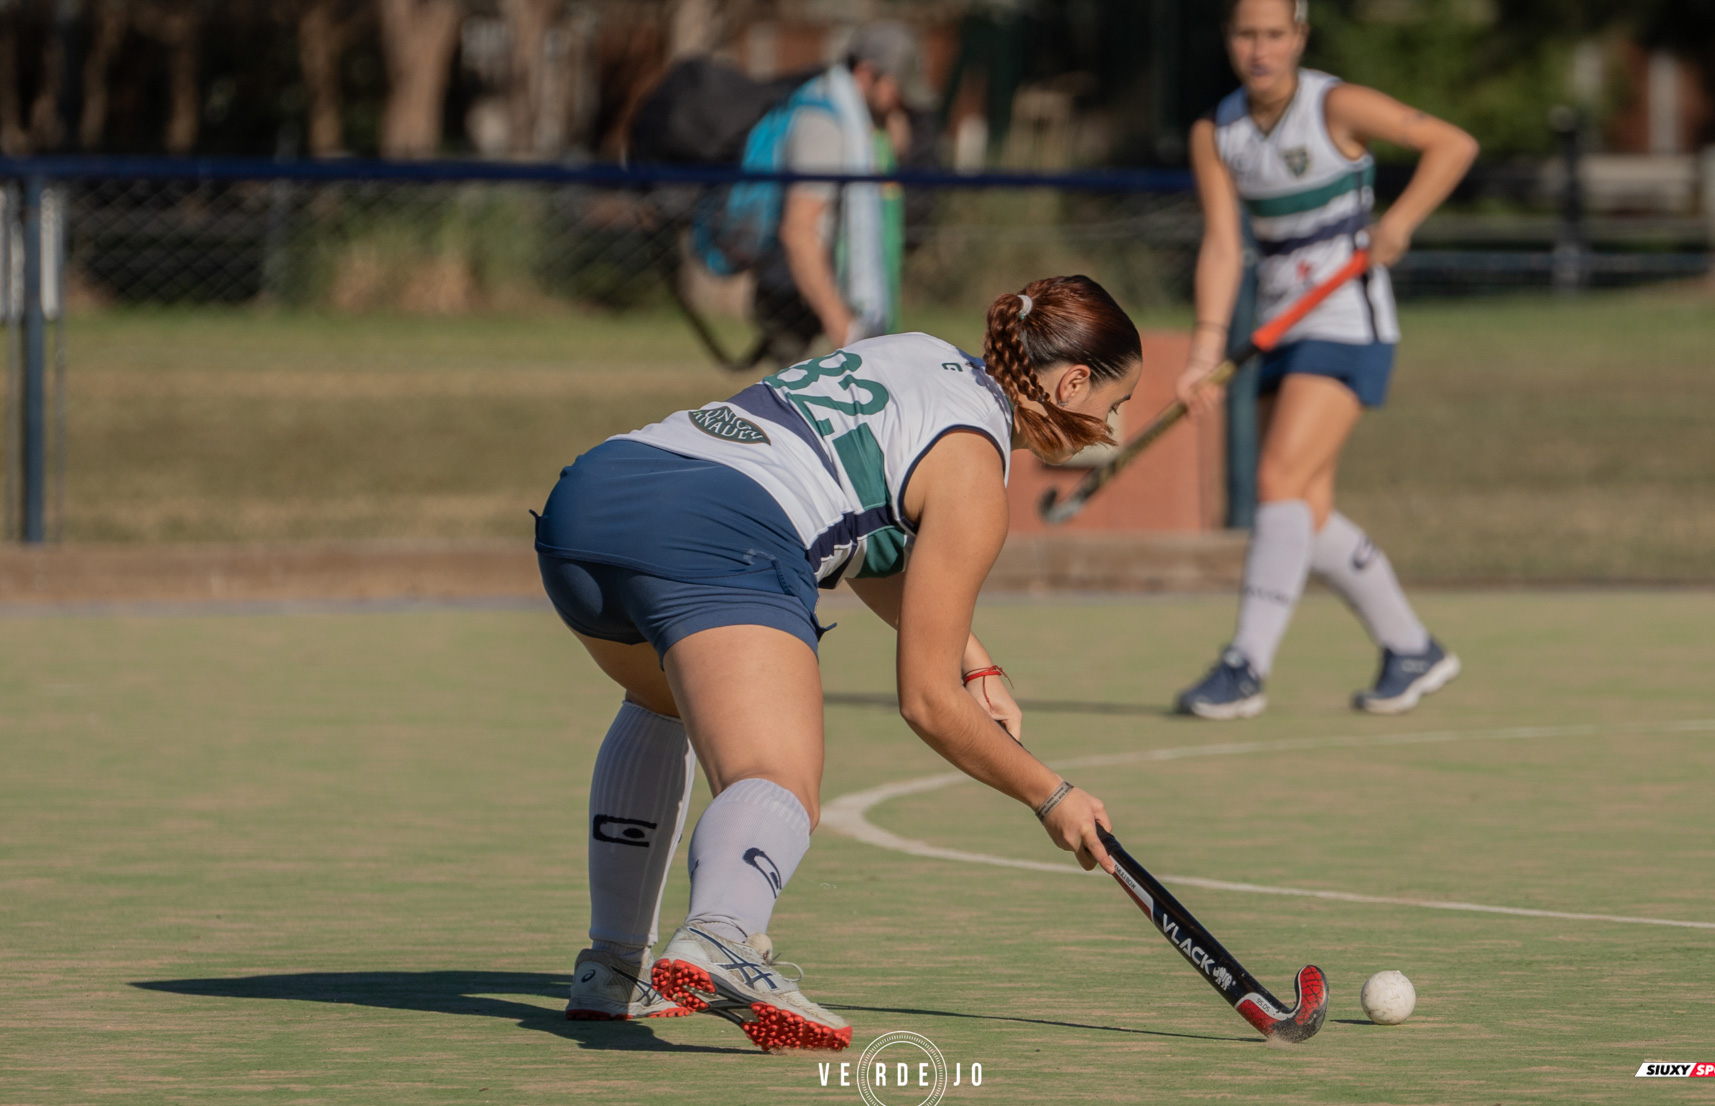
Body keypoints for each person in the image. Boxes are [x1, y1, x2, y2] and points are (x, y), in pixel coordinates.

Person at [535, 275, 1142, 1051]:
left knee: (667, 700)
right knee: (774, 776)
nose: (1114, 429)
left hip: (594, 502)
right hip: (721, 531)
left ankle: (613, 968)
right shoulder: (976, 475)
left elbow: (865, 543)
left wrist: (977, 663)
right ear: (1072, 382)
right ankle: (723, 933)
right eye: (1115, 405)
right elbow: (926, 701)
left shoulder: (917, 354)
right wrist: (1050, 795)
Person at [1173, 0, 1478, 719]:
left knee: (1276, 480)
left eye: (1275, 34)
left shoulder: (1336, 103)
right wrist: (1205, 349)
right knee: (1304, 508)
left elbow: (1453, 145)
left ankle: (1245, 664)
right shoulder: (1217, 132)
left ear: (1299, 39)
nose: (1260, 49)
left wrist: (1399, 221)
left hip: (1347, 320)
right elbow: (1222, 245)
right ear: (1228, 40)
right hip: (1279, 323)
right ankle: (1411, 647)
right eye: (1246, 34)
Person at [755, 21, 932, 363]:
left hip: (837, 287)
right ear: (866, 74)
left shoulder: (864, 120)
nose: (903, 101)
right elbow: (798, 230)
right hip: (799, 295)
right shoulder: (823, 121)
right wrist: (842, 326)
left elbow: (899, 148)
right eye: (898, 88)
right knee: (799, 412)